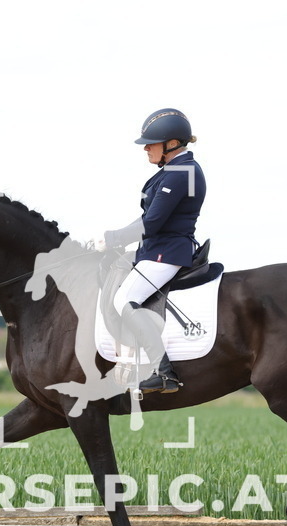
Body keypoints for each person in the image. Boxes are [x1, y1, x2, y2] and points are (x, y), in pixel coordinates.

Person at [103, 108, 207, 394]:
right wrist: (115, 237)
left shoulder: (182, 172)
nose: (146, 148)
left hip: (167, 252)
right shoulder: (172, 171)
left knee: (125, 298)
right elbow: (149, 218)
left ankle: (164, 372)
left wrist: (116, 237)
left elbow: (152, 222)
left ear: (171, 144)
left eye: (151, 143)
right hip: (156, 249)